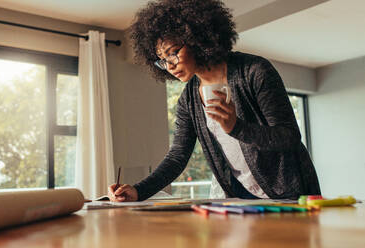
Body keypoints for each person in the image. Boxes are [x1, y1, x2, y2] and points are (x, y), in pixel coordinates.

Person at [108, 0, 321, 202]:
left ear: (196, 38)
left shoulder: (255, 71)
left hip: (290, 195)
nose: (170, 65)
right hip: (241, 197)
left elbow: (289, 136)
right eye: (162, 60)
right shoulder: (188, 100)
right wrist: (138, 191)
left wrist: (237, 127)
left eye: (173, 53)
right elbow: (177, 157)